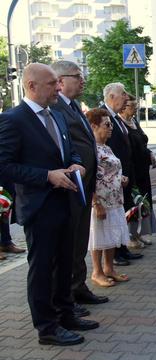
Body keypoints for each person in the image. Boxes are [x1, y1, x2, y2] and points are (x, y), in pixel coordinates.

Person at [0, 63, 98, 346]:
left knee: (65, 262)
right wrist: (46, 176)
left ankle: (66, 314)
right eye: (51, 83)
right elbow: (4, 166)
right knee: (43, 268)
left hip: (66, 203)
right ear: (31, 86)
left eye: (58, 82)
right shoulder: (13, 119)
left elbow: (70, 150)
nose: (58, 88)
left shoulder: (55, 114)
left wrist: (77, 165)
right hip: (39, 207)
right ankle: (47, 328)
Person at [50, 60, 108, 311]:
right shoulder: (55, 108)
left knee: (80, 239)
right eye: (77, 76)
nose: (82, 80)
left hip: (84, 184)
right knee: (70, 242)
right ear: (60, 81)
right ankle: (67, 294)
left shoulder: (73, 106)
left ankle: (78, 286)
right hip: (70, 186)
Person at [86, 108, 131, 288]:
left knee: (111, 234)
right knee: (98, 235)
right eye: (107, 124)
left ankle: (109, 268)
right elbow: (90, 178)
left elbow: (111, 171)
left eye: (111, 124)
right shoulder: (91, 149)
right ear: (94, 126)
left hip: (114, 199)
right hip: (101, 201)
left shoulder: (106, 146)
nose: (111, 127)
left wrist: (122, 179)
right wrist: (95, 203)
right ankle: (97, 272)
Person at [101, 83, 143, 266]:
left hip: (123, 175)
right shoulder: (103, 115)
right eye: (123, 95)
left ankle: (123, 248)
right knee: (115, 216)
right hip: (111, 178)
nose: (126, 98)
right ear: (111, 97)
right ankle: (116, 253)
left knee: (122, 213)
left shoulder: (116, 117)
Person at [118, 95, 156, 248]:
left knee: (144, 202)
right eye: (132, 107)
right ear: (124, 107)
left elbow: (142, 142)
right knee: (133, 203)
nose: (135, 110)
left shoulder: (134, 121)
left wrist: (150, 153)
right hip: (132, 169)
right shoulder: (120, 123)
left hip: (143, 170)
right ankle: (131, 236)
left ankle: (141, 233)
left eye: (136, 107)